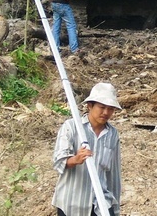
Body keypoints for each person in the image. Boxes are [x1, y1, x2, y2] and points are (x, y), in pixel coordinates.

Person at [52, 82, 122, 216]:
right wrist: (75, 160)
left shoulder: (113, 134)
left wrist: (116, 207)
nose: (106, 112)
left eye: (110, 109)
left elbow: (113, 174)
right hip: (71, 203)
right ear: (90, 106)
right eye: (102, 107)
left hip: (100, 202)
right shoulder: (71, 127)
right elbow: (58, 161)